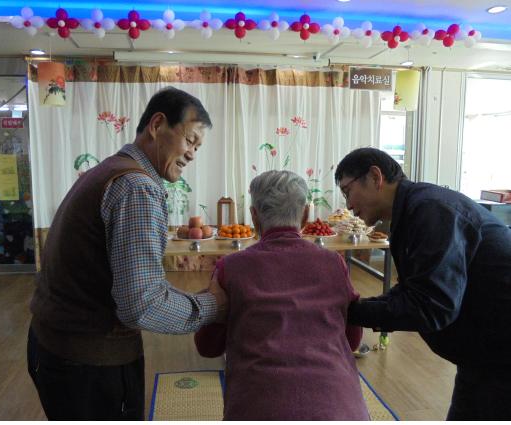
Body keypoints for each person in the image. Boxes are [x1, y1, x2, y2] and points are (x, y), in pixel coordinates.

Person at [27, 87, 228, 420]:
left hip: (54, 345)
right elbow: (142, 305)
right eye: (190, 140)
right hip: (87, 364)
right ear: (157, 125)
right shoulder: (136, 187)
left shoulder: (111, 169)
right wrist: (214, 306)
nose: (193, 154)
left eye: (198, 147)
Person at [334, 147, 511, 420]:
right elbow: (415, 289)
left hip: (500, 351)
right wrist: (355, 308)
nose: (347, 205)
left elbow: (431, 306)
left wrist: (350, 312)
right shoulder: (413, 210)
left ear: (375, 177)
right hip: (481, 353)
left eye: (348, 191)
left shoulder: (430, 210)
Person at [194, 170, 369, 420]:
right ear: (306, 214)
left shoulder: (229, 268)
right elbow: (352, 340)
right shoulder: (334, 263)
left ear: (254, 216)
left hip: (257, 409)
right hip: (340, 409)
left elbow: (207, 346)